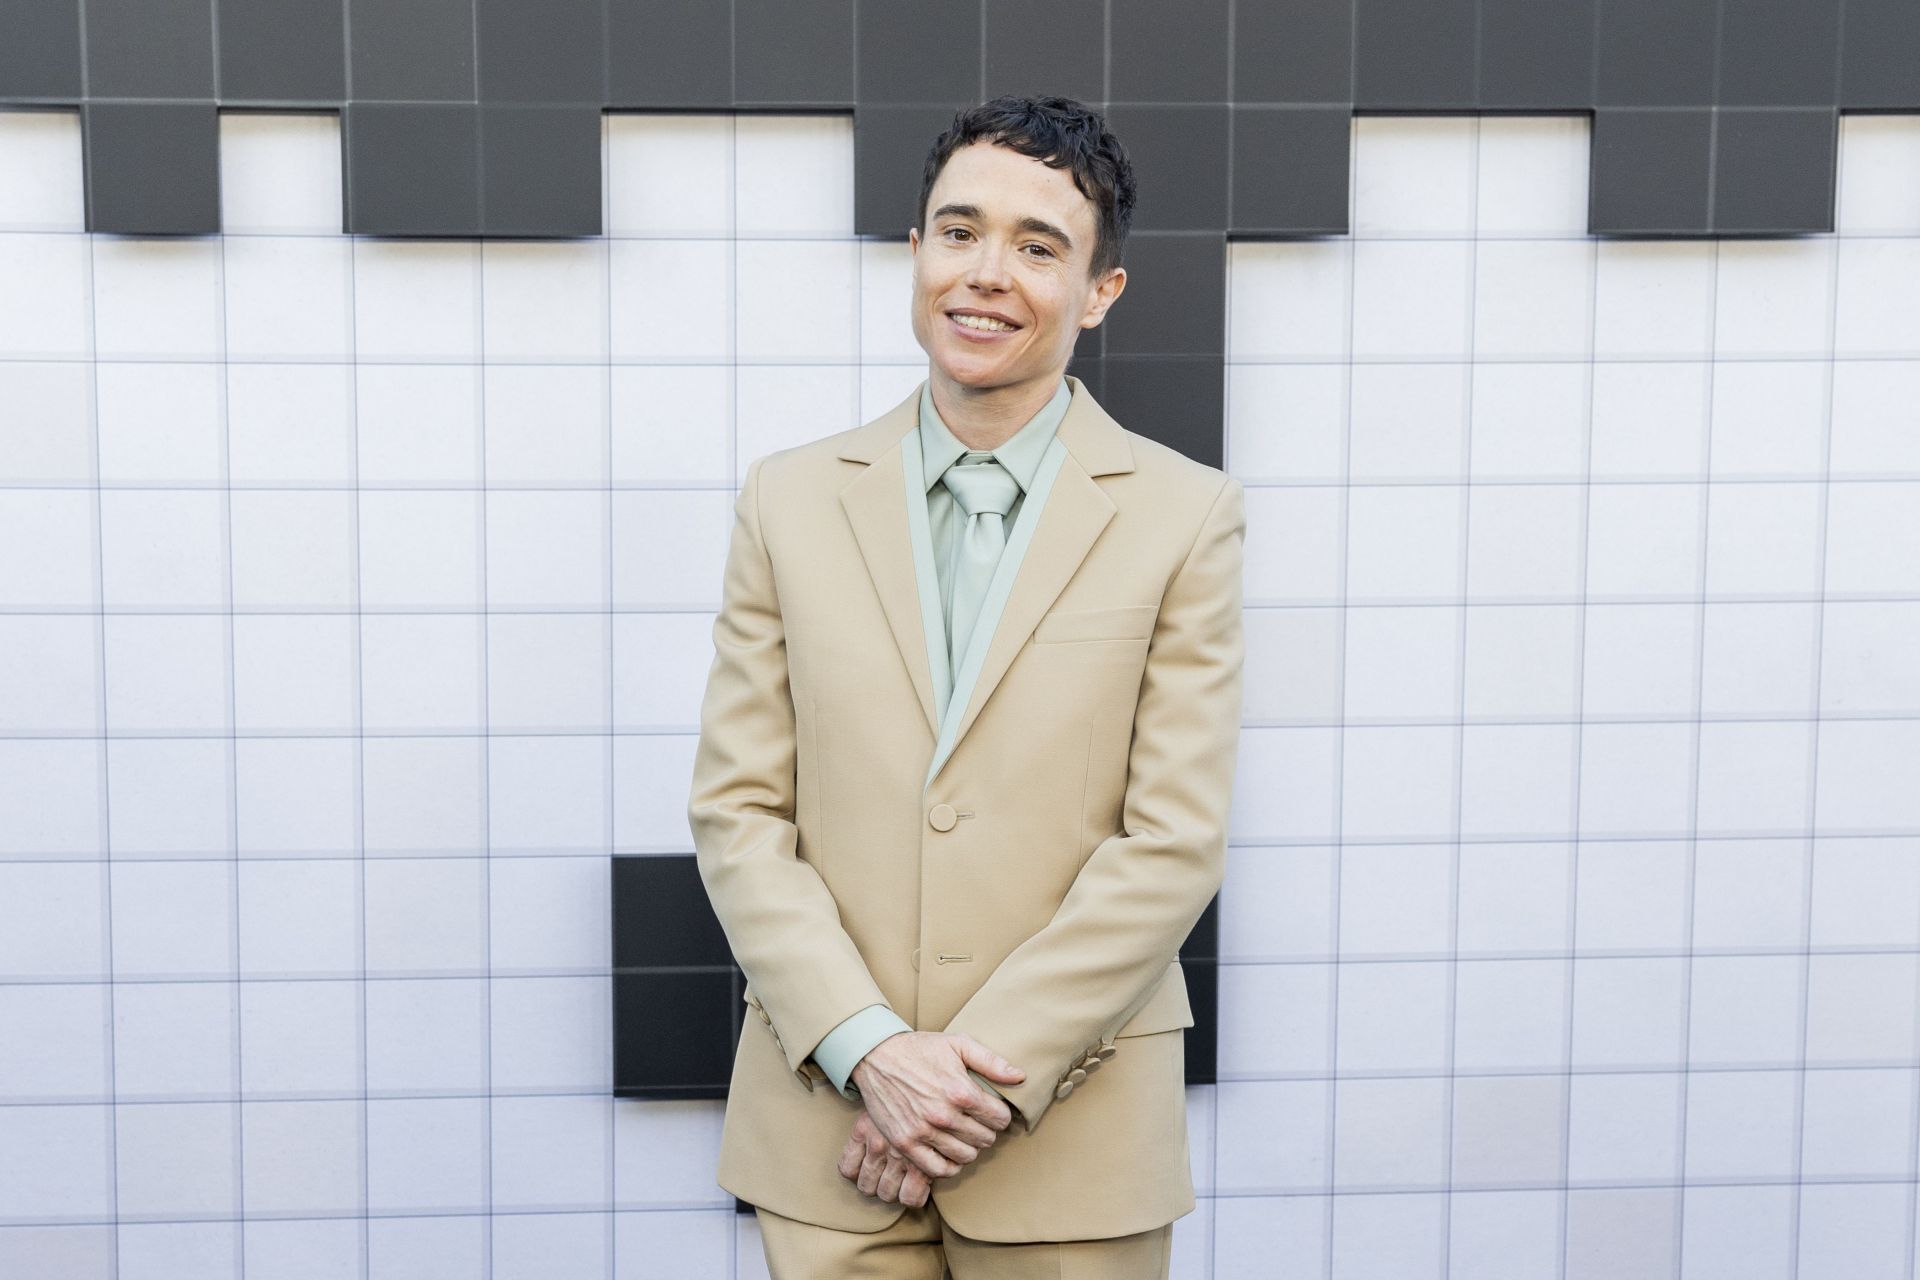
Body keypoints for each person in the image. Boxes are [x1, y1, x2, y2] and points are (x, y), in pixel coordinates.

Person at [688, 94, 1245, 1279]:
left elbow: (1172, 843)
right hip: (833, 1129)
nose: (987, 274)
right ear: (914, 252)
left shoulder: (1184, 513)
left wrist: (958, 1081)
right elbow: (738, 814)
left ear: (1100, 291)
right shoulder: (786, 499)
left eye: (1039, 247)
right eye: (960, 231)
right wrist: (872, 1050)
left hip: (1071, 1143)